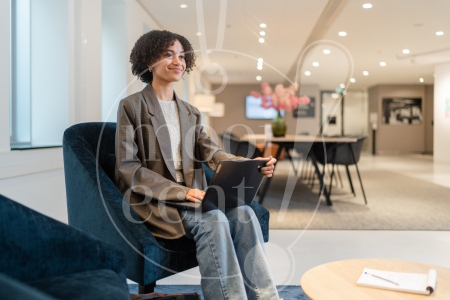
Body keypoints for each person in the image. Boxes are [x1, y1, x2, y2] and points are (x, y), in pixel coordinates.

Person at [115, 30, 280, 300]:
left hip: (197, 197)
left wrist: (250, 164)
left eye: (181, 56)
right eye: (168, 54)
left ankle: (267, 297)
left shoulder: (190, 111)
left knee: (245, 214)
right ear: (148, 60)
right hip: (160, 201)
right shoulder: (132, 106)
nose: (177, 61)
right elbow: (128, 167)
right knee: (213, 218)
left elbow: (212, 153)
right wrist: (181, 192)